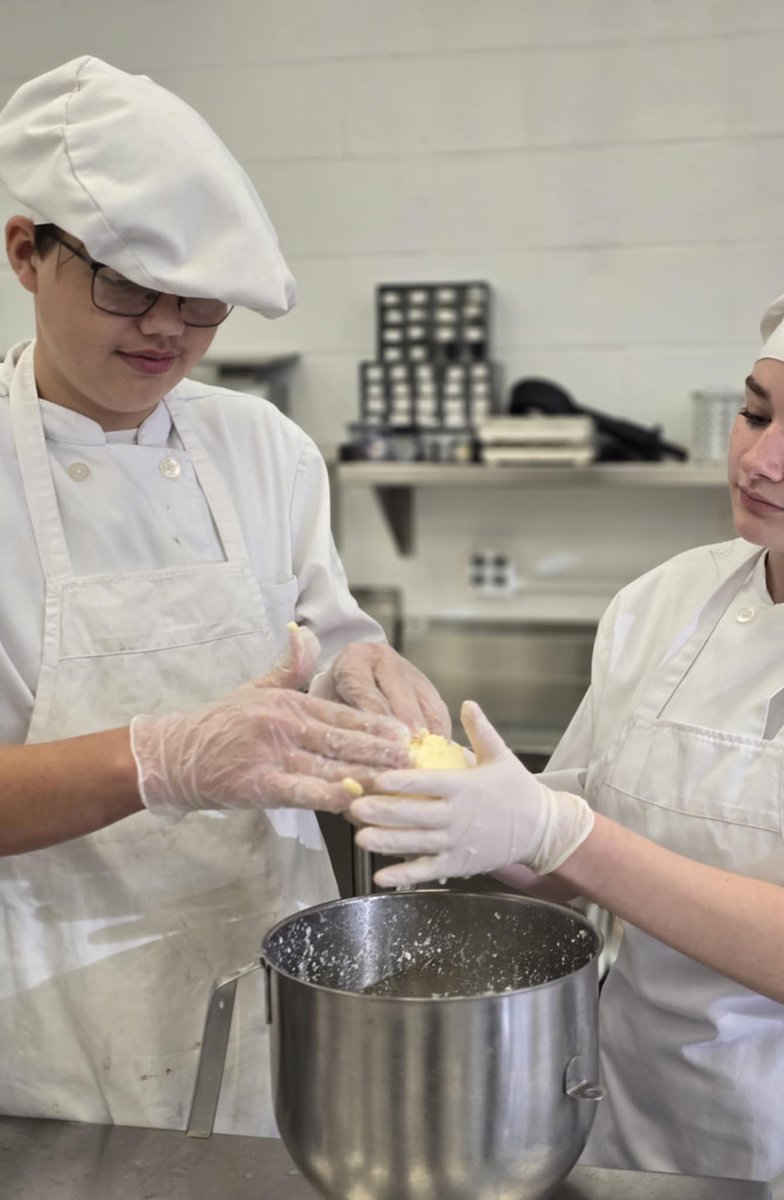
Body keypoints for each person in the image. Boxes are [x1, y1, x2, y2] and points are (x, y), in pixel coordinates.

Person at [350, 258, 784, 1199]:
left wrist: (554, 828)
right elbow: (571, 863)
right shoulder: (664, 603)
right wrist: (428, 784)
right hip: (625, 1134)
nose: (760, 458)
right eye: (755, 412)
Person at [0, 56, 449, 1136]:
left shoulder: (265, 449)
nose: (167, 328)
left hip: (262, 998)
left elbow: (322, 648)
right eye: (127, 285)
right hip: (41, 1015)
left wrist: (361, 677)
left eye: (201, 301)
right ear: (25, 251)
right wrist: (155, 761)